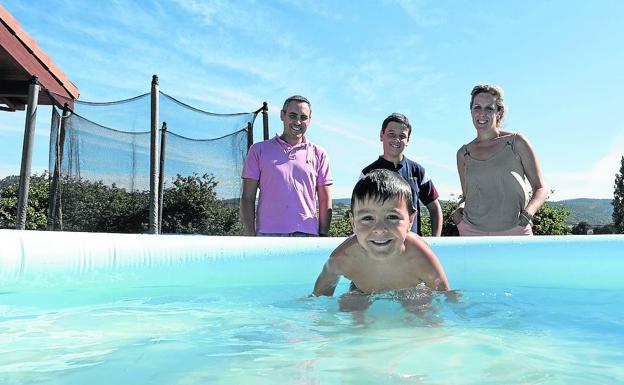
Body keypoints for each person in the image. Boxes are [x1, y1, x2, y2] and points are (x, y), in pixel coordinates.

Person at [313, 169, 449, 297]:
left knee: (421, 304)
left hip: (410, 293)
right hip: (363, 293)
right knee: (350, 302)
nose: (379, 229)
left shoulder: (420, 256)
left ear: (410, 220)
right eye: (367, 218)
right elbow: (319, 297)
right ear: (353, 222)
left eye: (392, 217)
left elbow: (445, 296)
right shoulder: (342, 257)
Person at [452, 84, 547, 236]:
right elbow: (466, 196)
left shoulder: (517, 142)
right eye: (477, 107)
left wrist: (528, 214)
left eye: (489, 108)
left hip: (515, 231)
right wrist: (458, 213)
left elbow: (540, 189)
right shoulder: (463, 153)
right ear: (471, 111)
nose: (482, 114)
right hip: (471, 231)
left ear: (499, 112)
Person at [241, 95, 333, 236]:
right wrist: (250, 236)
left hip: (307, 236)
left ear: (309, 120)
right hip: (267, 236)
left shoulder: (319, 154)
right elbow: (248, 197)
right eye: (292, 115)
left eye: (303, 117)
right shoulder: (258, 150)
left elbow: (325, 199)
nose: (297, 121)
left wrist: (323, 235)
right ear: (282, 115)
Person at [361, 113, 443, 236]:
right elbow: (359, 214)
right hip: (378, 247)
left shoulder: (418, 171)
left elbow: (435, 208)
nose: (396, 140)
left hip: (411, 249)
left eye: (402, 136)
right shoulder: (367, 174)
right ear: (381, 135)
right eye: (391, 134)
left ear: (408, 140)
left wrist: (435, 240)